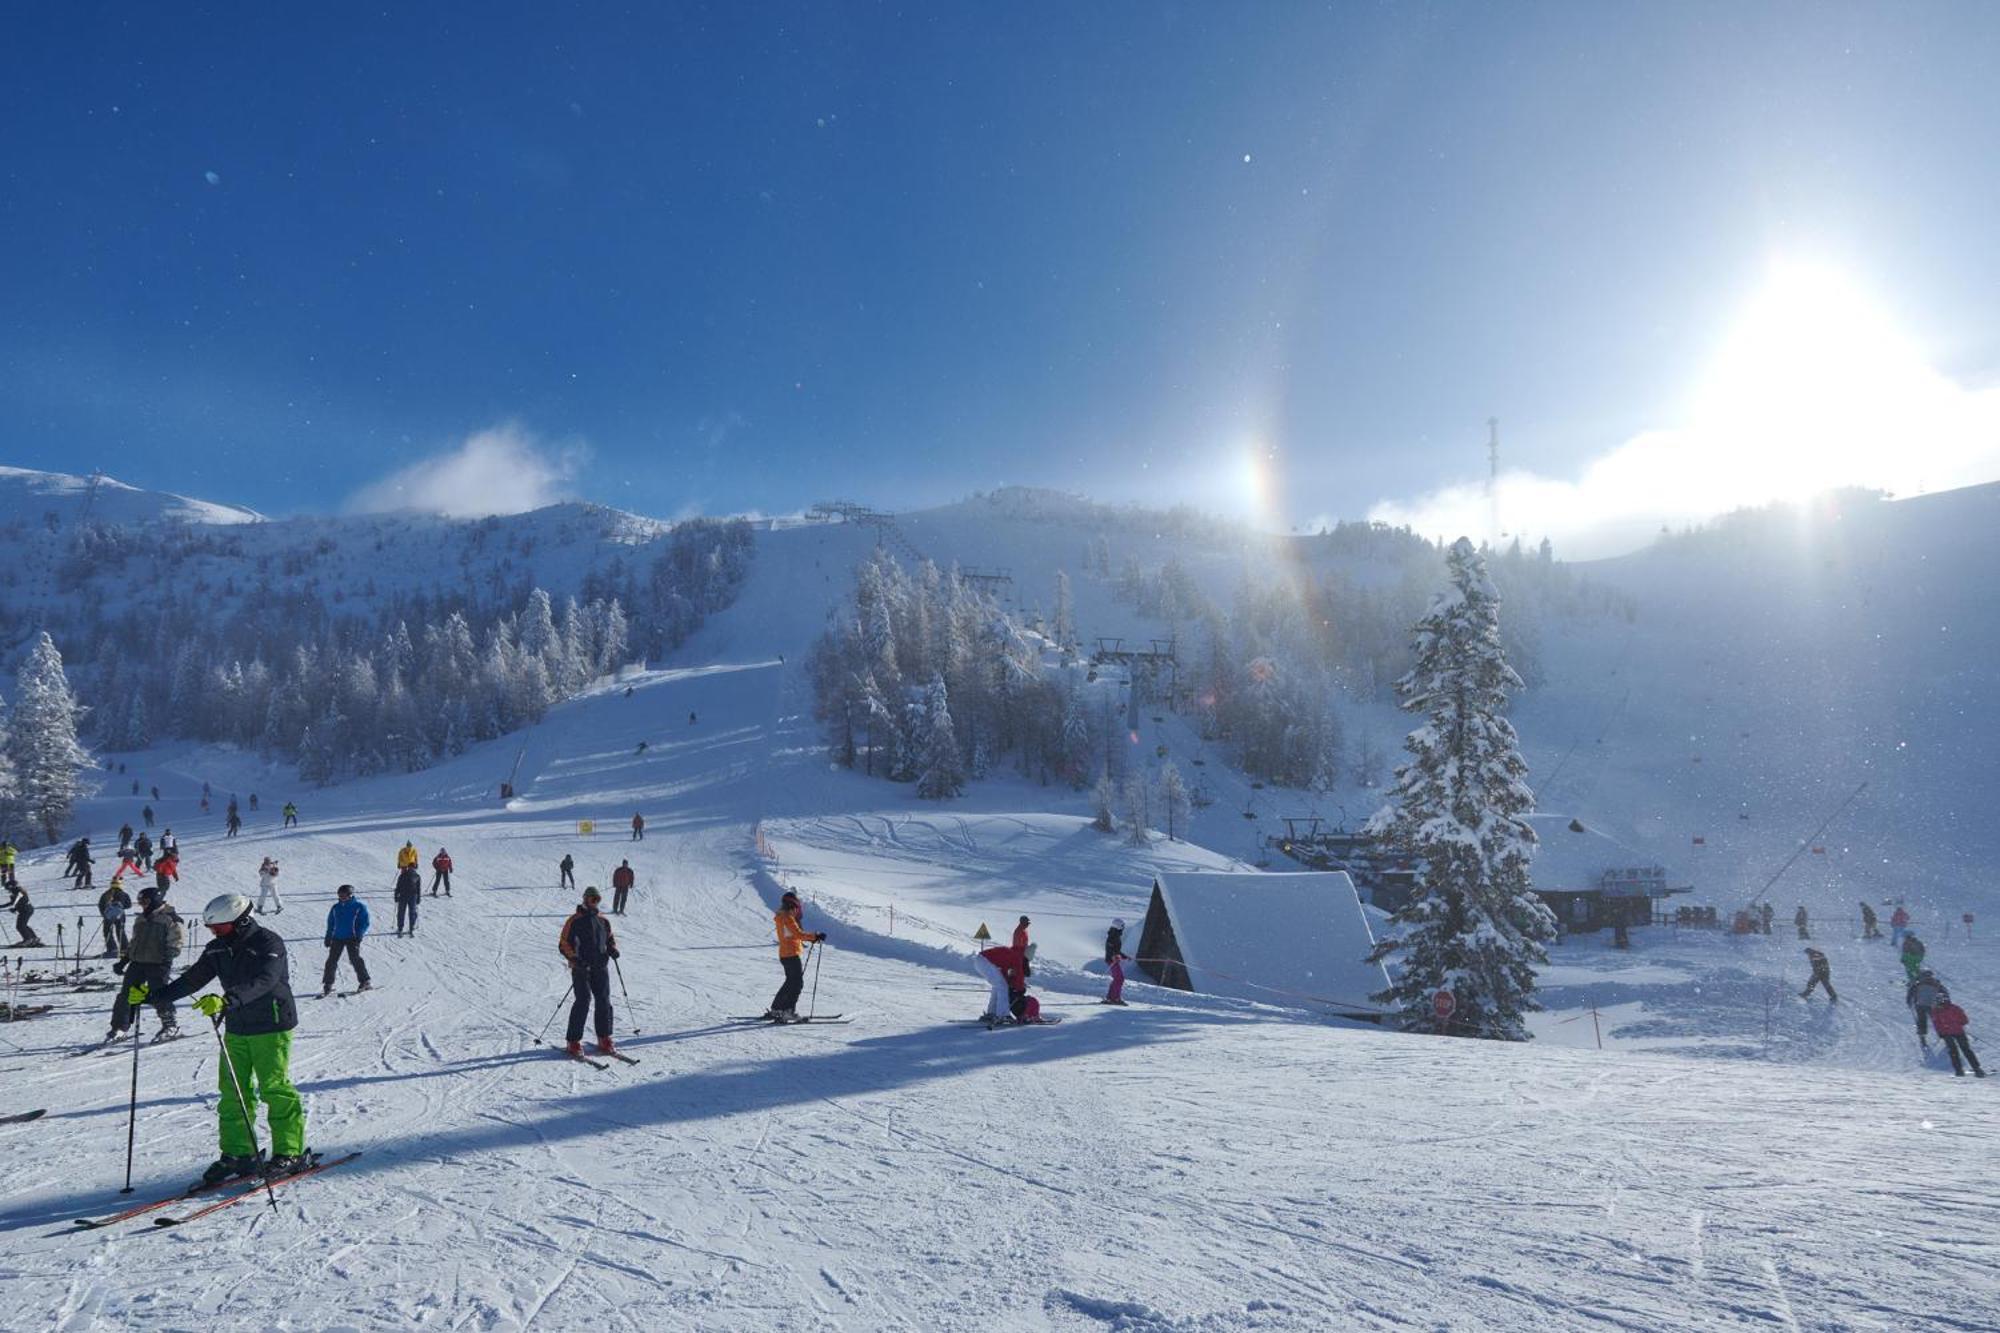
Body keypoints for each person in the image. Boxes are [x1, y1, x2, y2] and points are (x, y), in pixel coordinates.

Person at [128, 893, 311, 1182]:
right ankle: (240, 1154)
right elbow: (192, 980)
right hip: (237, 1026)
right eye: (212, 928)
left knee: (274, 1088)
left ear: (240, 921)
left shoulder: (268, 942)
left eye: (221, 927)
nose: (215, 932)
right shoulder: (216, 949)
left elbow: (266, 980)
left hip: (271, 1022)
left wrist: (227, 1000)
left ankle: (290, 1151)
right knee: (233, 1091)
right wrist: (154, 996)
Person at [109, 886, 183, 1042]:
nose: (142, 905)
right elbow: (134, 943)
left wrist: (164, 959)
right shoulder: (141, 919)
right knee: (126, 995)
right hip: (137, 962)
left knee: (159, 994)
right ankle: (120, 1028)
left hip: (158, 963)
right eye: (140, 902)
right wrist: (123, 962)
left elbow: (176, 944)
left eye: (145, 901)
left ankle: (170, 1025)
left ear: (155, 901)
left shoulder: (170, 919)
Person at [557, 887, 619, 1056]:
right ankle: (573, 1041)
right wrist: (575, 959)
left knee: (604, 1000)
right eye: (591, 899)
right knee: (583, 1000)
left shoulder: (603, 921)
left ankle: (604, 1037)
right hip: (581, 968)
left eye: (596, 899)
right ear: (584, 899)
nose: (593, 902)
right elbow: (563, 943)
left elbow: (610, 939)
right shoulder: (574, 920)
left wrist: (612, 949)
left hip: (600, 966)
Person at [761, 890, 825, 1022]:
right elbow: (798, 934)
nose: (797, 911)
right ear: (793, 906)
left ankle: (777, 1009)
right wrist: (815, 935)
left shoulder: (781, 917)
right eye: (796, 907)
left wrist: (812, 938)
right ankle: (788, 1011)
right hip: (791, 954)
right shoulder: (788, 918)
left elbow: (792, 935)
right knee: (797, 984)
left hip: (785, 954)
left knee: (790, 982)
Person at [321, 885, 372, 996]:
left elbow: (365, 923)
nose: (341, 898)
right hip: (337, 938)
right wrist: (328, 936)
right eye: (339, 896)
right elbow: (331, 923)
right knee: (331, 961)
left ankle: (365, 981)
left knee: (355, 959)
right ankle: (328, 984)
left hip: (352, 938)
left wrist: (359, 935)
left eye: (344, 895)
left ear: (350, 895)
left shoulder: (359, 907)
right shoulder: (335, 908)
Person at [975, 943, 1030, 1027]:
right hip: (985, 961)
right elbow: (1019, 975)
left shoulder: (1011, 953)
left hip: (981, 960)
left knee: (999, 986)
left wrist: (1010, 983)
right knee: (1002, 986)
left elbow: (1003, 973)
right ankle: (1003, 1015)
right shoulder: (1018, 958)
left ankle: (992, 1013)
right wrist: (1020, 989)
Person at [1930, 999, 1985, 1077]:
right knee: (1966, 1050)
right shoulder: (1954, 1008)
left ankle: (1959, 1071)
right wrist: (1958, 1023)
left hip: (1947, 1034)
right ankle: (1977, 1069)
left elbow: (1936, 1023)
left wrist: (1941, 1033)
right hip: (1958, 1032)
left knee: (1953, 1052)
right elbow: (1964, 1020)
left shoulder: (1936, 1011)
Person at [1908, 970, 1949, 1049]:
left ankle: (1922, 1037)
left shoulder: (1918, 984)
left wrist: (1909, 1002)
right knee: (1937, 1021)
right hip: (1932, 1005)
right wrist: (1945, 1003)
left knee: (1921, 1021)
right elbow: (1945, 993)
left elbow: (1910, 993)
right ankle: (1945, 1037)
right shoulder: (1936, 983)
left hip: (1920, 1005)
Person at [99, 879, 133, 958]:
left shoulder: (106, 894)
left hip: (108, 916)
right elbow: (129, 905)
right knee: (120, 931)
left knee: (107, 931)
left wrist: (104, 914)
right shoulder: (123, 894)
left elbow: (101, 904)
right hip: (120, 915)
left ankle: (112, 948)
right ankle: (124, 948)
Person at [1103, 918, 1129, 1005]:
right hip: (1112, 961)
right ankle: (1115, 998)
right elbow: (1110, 949)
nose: (1123, 928)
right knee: (1119, 979)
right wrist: (1114, 956)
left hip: (1113, 960)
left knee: (1117, 978)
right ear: (1119, 926)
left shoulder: (1115, 935)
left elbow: (1116, 950)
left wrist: (1125, 957)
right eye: (1122, 926)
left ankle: (1110, 998)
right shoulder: (1113, 936)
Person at [7, 882, 41, 947]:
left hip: (26, 910)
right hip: (26, 910)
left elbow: (14, 902)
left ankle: (28, 939)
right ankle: (34, 938)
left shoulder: (18, 892)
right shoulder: (17, 892)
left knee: (20, 926)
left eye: (8, 888)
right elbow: (21, 901)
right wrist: (15, 909)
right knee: (23, 925)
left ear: (11, 887)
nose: (8, 890)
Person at [393, 865, 421, 937]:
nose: (411, 869)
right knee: (410, 912)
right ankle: (408, 928)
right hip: (410, 896)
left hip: (405, 896)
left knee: (403, 912)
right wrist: (418, 898)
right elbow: (418, 889)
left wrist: (396, 896)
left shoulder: (405, 875)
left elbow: (398, 886)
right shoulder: (416, 876)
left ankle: (402, 928)